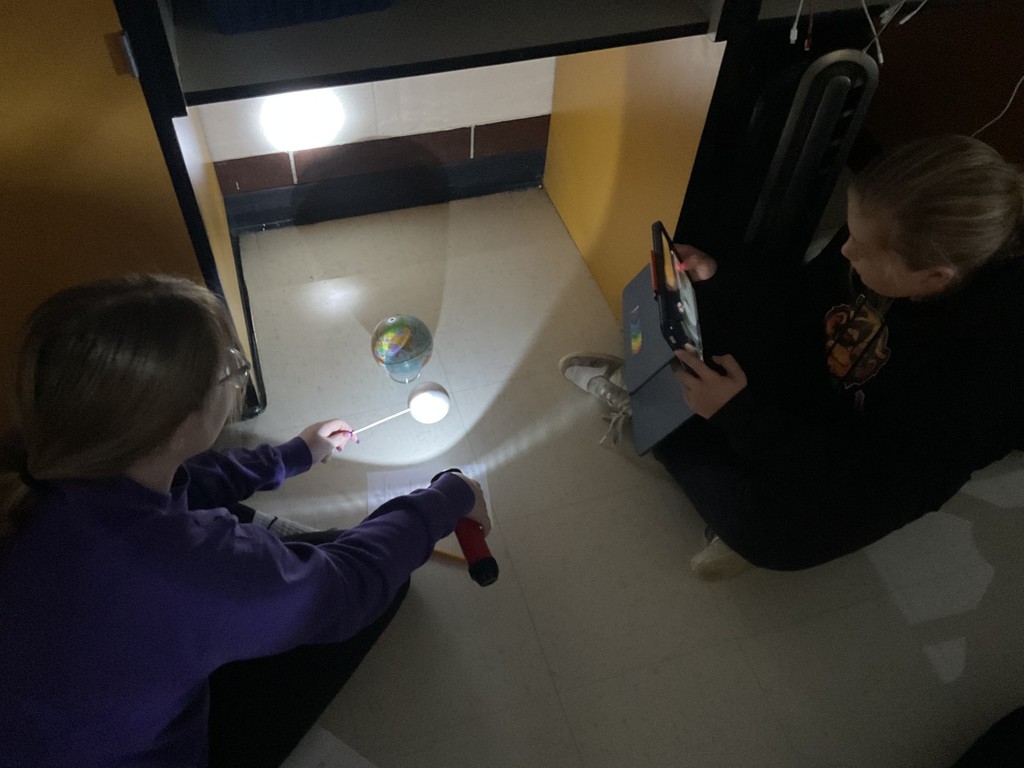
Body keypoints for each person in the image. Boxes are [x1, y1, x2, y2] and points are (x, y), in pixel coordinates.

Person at [0, 274, 491, 767]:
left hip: (64, 702)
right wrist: (447, 498)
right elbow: (344, 589)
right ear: (180, 423)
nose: (238, 376)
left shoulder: (49, 463)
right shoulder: (182, 568)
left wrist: (295, 455)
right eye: (230, 371)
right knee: (386, 583)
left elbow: (185, 478)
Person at [562, 134, 1024, 579]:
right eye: (852, 231)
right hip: (830, 390)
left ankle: (667, 429)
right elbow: (802, 304)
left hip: (872, 461)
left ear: (935, 279)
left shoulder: (982, 372)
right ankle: (683, 425)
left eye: (861, 250)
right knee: (705, 315)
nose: (845, 250)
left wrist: (739, 416)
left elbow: (869, 481)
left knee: (770, 533)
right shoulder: (897, 226)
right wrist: (717, 278)